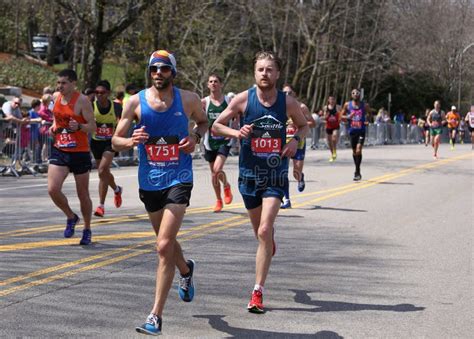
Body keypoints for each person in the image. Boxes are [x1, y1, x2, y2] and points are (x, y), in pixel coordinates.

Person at [112, 50, 208, 336]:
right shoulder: (134, 102)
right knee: (165, 243)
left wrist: (194, 138)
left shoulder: (188, 99)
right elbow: (115, 141)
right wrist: (130, 140)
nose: (158, 73)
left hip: (179, 177)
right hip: (149, 181)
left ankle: (155, 316)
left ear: (172, 72)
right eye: (154, 68)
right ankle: (186, 270)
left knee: (163, 246)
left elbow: (203, 122)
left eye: (164, 69)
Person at [212, 51, 308, 313]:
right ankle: (268, 242)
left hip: (275, 175)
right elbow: (216, 126)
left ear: (277, 74)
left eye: (269, 69)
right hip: (249, 175)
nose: (265, 74)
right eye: (260, 70)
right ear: (255, 73)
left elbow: (304, 125)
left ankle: (257, 292)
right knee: (260, 234)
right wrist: (236, 131)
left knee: (265, 230)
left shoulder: (288, 102)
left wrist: (293, 141)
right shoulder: (244, 99)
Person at [48, 69, 96, 245]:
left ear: (73, 83)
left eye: (64, 83)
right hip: (60, 148)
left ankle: (87, 228)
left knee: (82, 194)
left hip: (80, 151)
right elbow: (55, 117)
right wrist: (54, 126)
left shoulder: (82, 100)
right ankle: (71, 216)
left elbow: (92, 126)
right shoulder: (55, 97)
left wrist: (80, 127)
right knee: (53, 189)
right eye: (58, 82)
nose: (60, 86)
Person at [91, 80, 123, 217]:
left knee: (102, 170)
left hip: (110, 142)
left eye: (102, 93)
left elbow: (122, 123)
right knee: (103, 174)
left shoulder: (116, 107)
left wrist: (119, 137)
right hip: (96, 142)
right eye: (97, 93)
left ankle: (101, 206)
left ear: (108, 93)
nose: (99, 95)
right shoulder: (91, 106)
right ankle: (116, 189)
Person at [201, 74, 234, 212]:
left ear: (221, 84)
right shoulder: (204, 102)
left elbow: (237, 116)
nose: (213, 83)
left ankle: (226, 185)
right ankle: (218, 200)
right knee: (214, 173)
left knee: (217, 169)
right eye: (211, 82)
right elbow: (199, 119)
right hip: (210, 141)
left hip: (224, 140)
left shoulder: (229, 101)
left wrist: (234, 130)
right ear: (208, 85)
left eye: (216, 81)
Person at [281, 84, 315, 209]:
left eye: (289, 93)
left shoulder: (302, 107)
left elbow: (313, 123)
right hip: (284, 143)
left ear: (294, 94)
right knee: (283, 172)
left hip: (298, 142)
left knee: (296, 172)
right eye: (284, 93)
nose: (287, 95)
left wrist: (300, 124)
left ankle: (300, 177)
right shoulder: (279, 107)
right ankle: (286, 199)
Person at [341, 88, 371, 181]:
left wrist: (367, 120)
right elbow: (341, 116)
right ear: (351, 95)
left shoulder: (364, 105)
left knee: (358, 150)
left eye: (357, 93)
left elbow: (369, 113)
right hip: (352, 131)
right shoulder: (347, 105)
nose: (355, 94)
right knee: (354, 152)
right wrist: (348, 117)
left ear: (359, 95)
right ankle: (357, 170)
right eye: (353, 93)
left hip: (361, 130)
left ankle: (357, 171)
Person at [323, 95, 342, 162]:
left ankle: (334, 150)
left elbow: (341, 115)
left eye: (333, 99)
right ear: (328, 100)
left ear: (335, 100)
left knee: (334, 138)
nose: (332, 101)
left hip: (335, 126)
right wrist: (326, 116)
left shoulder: (338, 107)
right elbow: (324, 117)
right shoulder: (325, 107)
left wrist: (339, 117)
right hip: (328, 126)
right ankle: (333, 154)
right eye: (330, 99)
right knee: (329, 142)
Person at [38, 94, 54, 162]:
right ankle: (43, 158)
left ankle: (45, 158)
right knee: (46, 144)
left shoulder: (48, 108)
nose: (51, 101)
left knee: (47, 144)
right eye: (50, 100)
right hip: (44, 129)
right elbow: (44, 115)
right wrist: (53, 119)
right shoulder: (43, 108)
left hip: (48, 129)